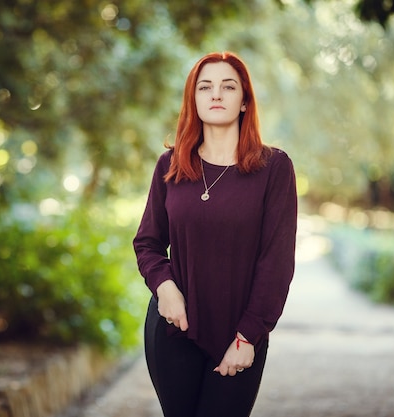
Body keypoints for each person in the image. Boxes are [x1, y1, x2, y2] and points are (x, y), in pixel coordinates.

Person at [133, 51, 297, 417]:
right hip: (174, 326)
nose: (216, 94)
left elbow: (277, 263)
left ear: (244, 101)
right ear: (194, 100)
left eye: (228, 86)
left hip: (240, 334)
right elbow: (148, 242)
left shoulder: (274, 169)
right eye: (205, 87)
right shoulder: (171, 165)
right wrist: (165, 287)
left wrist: (249, 334)